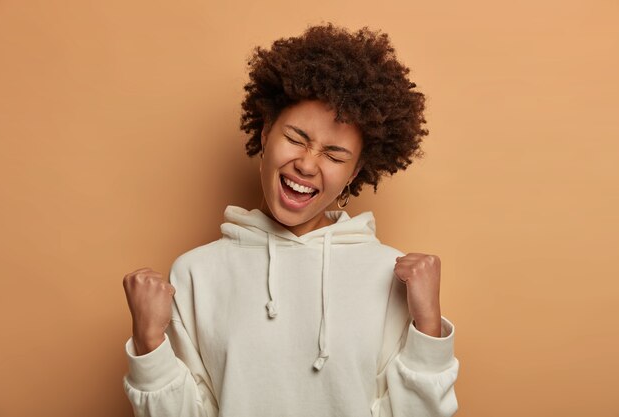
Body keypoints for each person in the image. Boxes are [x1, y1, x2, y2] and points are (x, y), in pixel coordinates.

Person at [122, 23, 460, 417]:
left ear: (354, 172)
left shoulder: (392, 275)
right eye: (296, 138)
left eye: (334, 155)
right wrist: (149, 343)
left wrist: (428, 328)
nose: (306, 163)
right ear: (265, 133)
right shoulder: (195, 274)